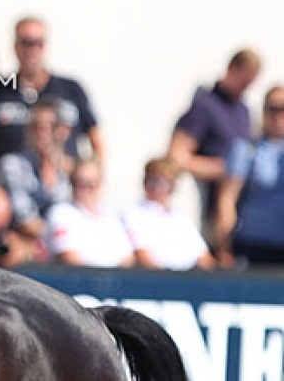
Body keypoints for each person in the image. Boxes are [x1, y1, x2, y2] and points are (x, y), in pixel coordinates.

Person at [167, 48, 262, 245]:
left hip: (239, 211)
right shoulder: (205, 107)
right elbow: (176, 157)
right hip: (209, 208)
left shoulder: (243, 110)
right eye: (244, 80)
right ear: (231, 69)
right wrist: (223, 168)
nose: (246, 88)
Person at [0, 16, 104, 162]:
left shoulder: (70, 89)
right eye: (26, 43)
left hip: (62, 180)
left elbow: (96, 140)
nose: (32, 50)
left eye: (38, 43)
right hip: (11, 180)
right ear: (16, 46)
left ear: (45, 46)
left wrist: (90, 175)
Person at [214, 85, 284, 268]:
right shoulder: (247, 150)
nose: (278, 116)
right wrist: (223, 248)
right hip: (254, 245)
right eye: (273, 108)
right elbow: (227, 199)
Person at [0, 97, 74, 242]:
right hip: (25, 247)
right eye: (36, 126)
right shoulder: (12, 166)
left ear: (63, 131)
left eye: (51, 126)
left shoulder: (72, 172)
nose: (43, 132)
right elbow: (25, 220)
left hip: (65, 246)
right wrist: (61, 236)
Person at [121, 157, 215, 270]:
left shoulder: (182, 220)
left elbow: (204, 258)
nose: (157, 187)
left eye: (164, 182)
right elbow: (142, 255)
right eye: (152, 180)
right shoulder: (132, 214)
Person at [43, 158, 135, 268]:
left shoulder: (112, 218)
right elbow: (69, 257)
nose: (86, 189)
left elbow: (128, 258)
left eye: (92, 184)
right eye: (80, 183)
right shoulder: (60, 213)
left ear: (100, 185)